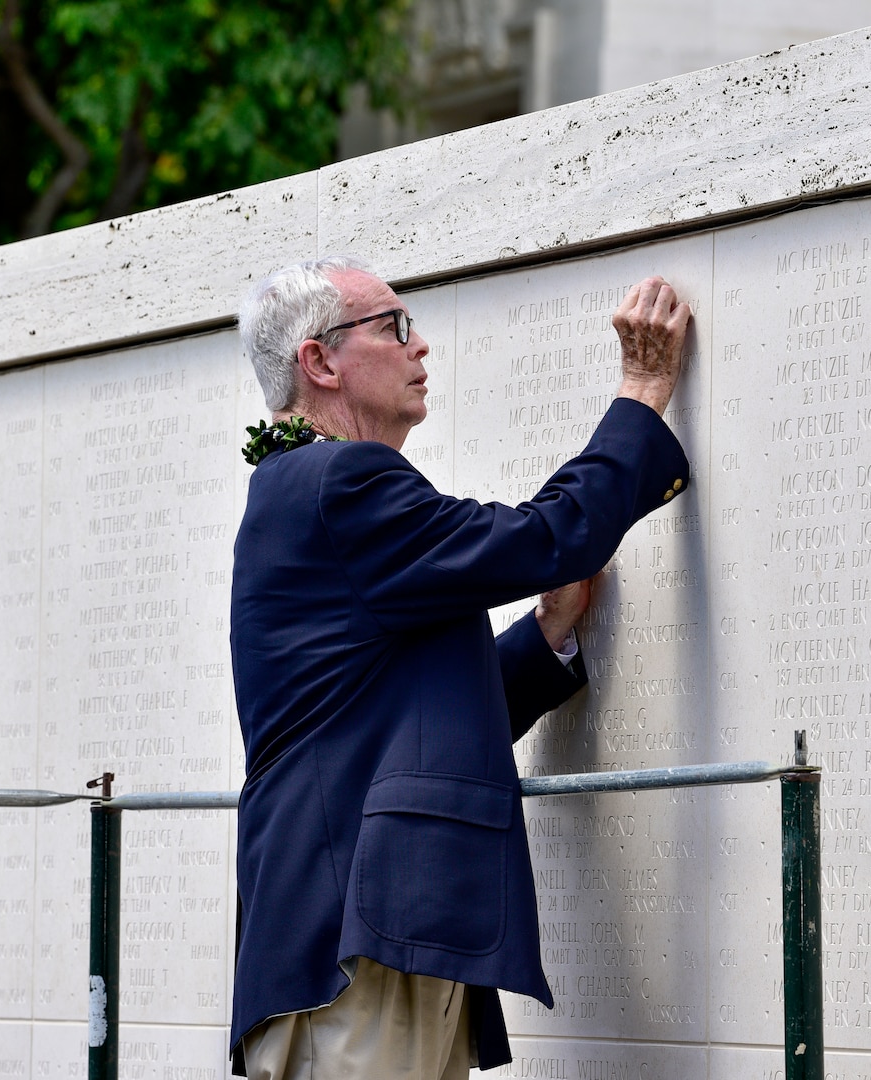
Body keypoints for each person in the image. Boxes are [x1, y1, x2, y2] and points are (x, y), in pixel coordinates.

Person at [228, 257, 692, 1078]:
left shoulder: (307, 490)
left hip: (370, 938)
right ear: (320, 361)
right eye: (393, 326)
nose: (422, 346)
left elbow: (403, 718)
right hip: (356, 943)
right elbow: (550, 537)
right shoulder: (341, 481)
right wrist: (641, 395)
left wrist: (548, 635)